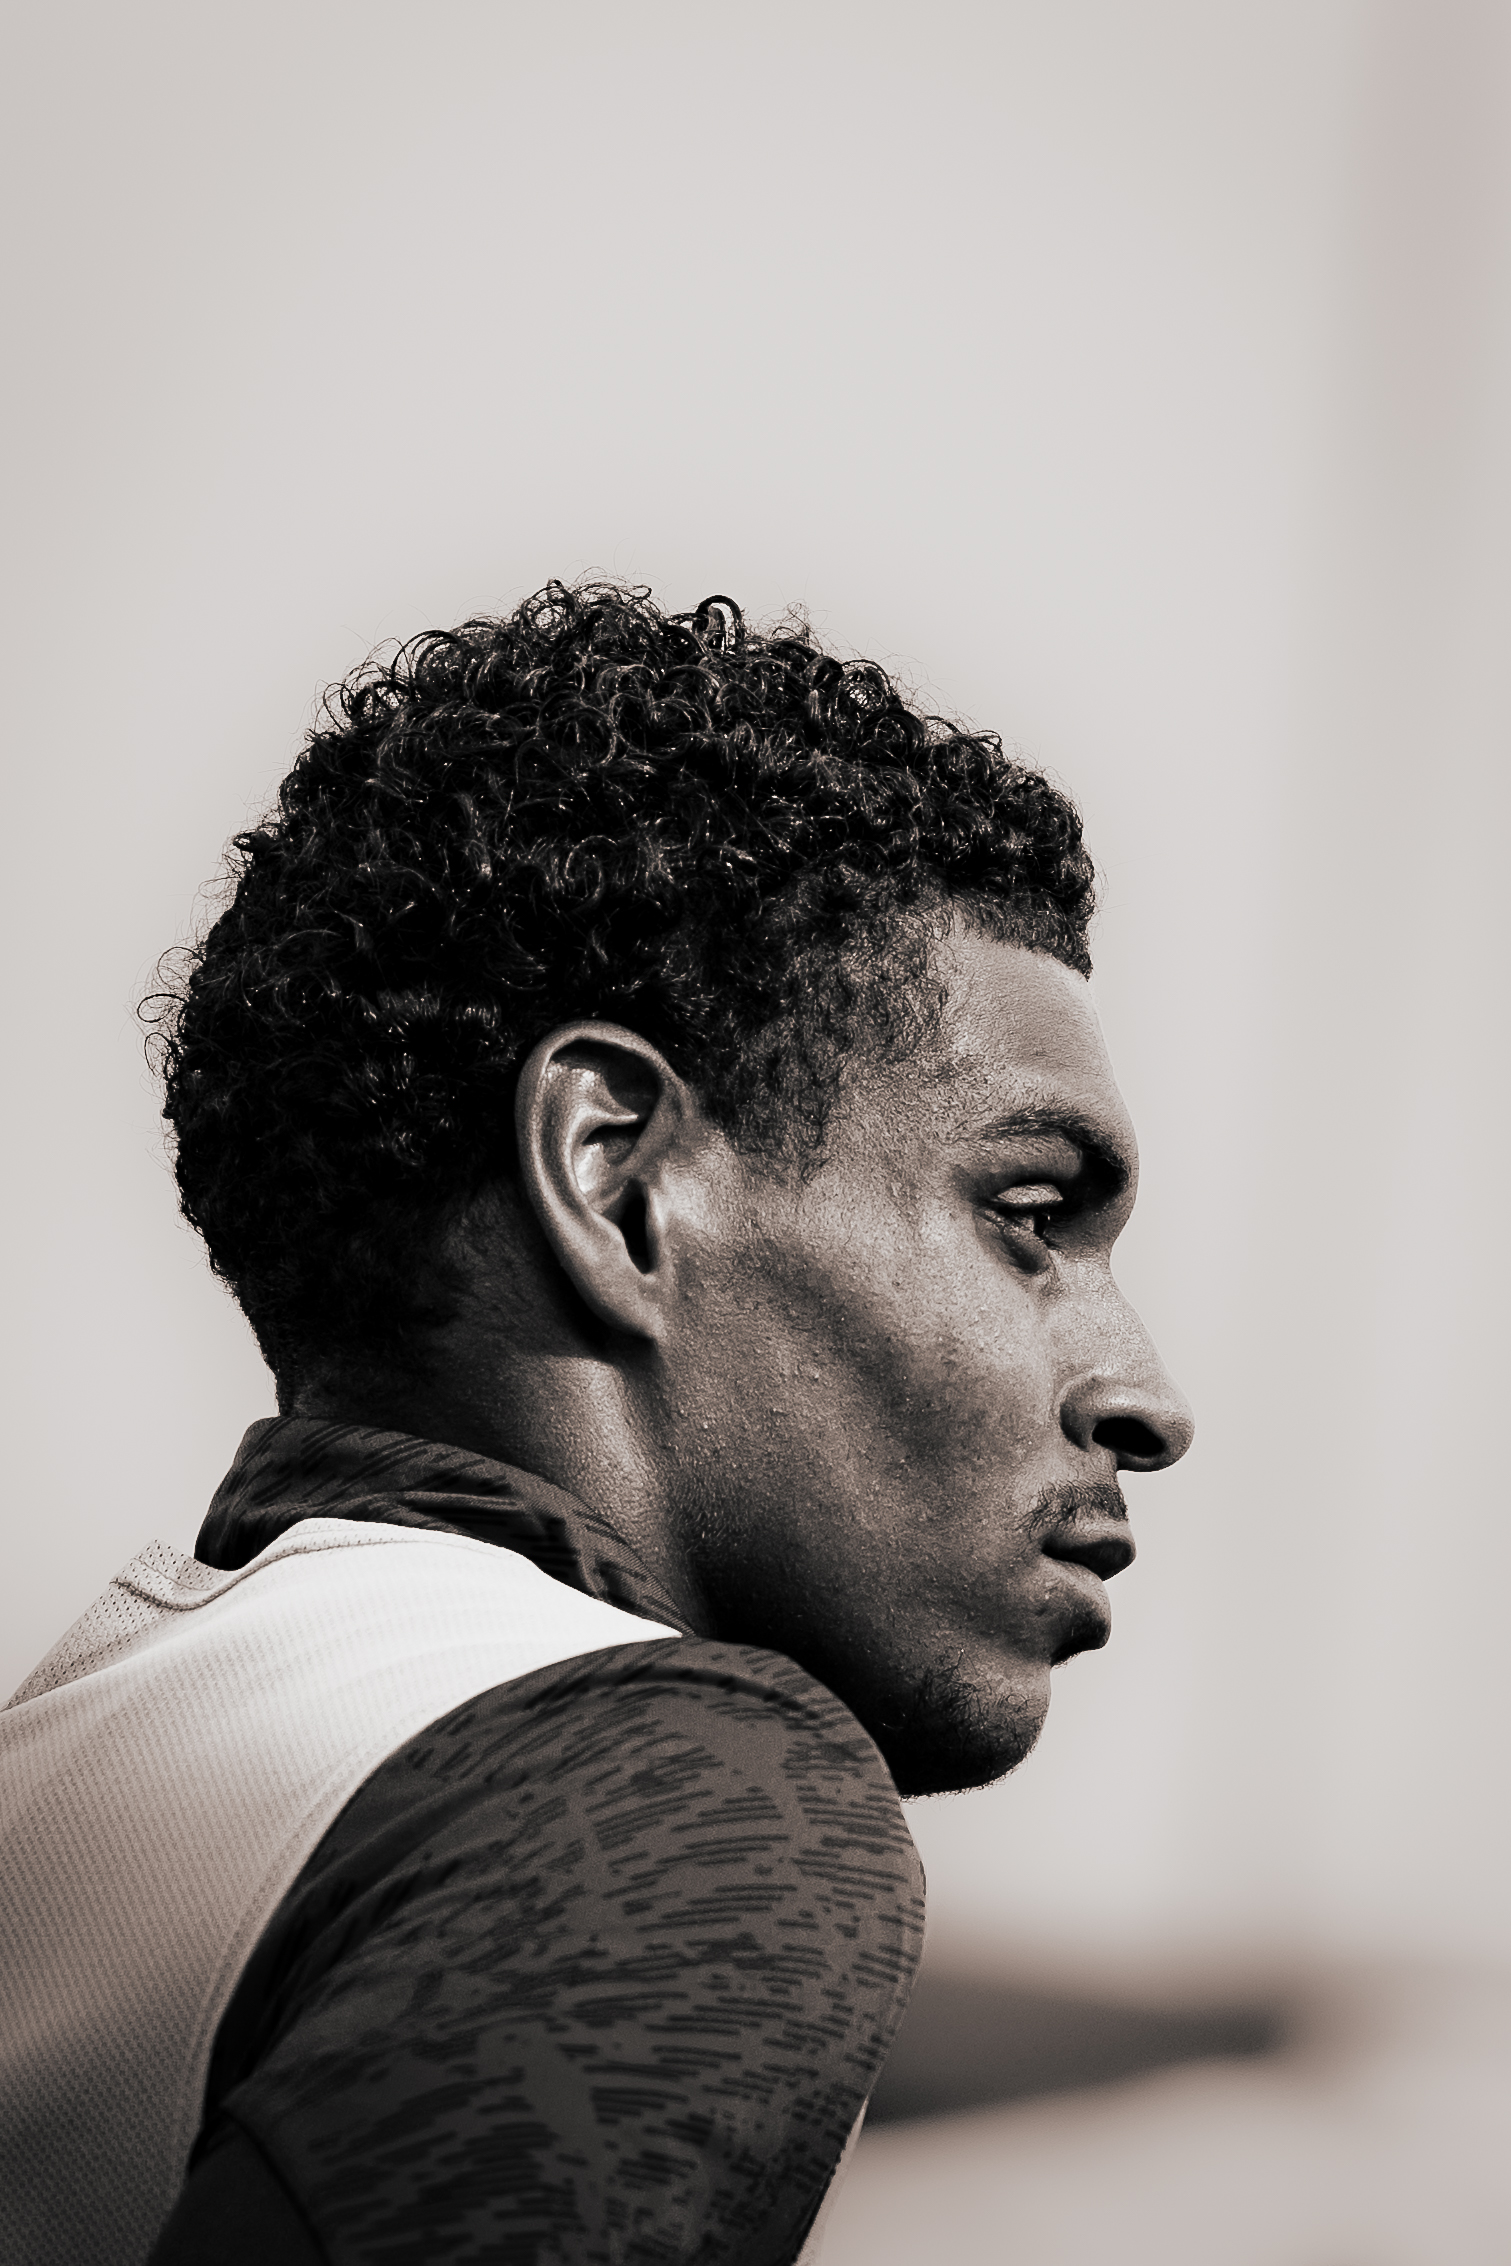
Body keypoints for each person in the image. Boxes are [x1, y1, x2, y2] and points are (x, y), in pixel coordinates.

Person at [0, 582, 1193, 2266]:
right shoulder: (686, 1787)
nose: (1147, 1395)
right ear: (617, 1178)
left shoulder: (91, 1746)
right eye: (1033, 1214)